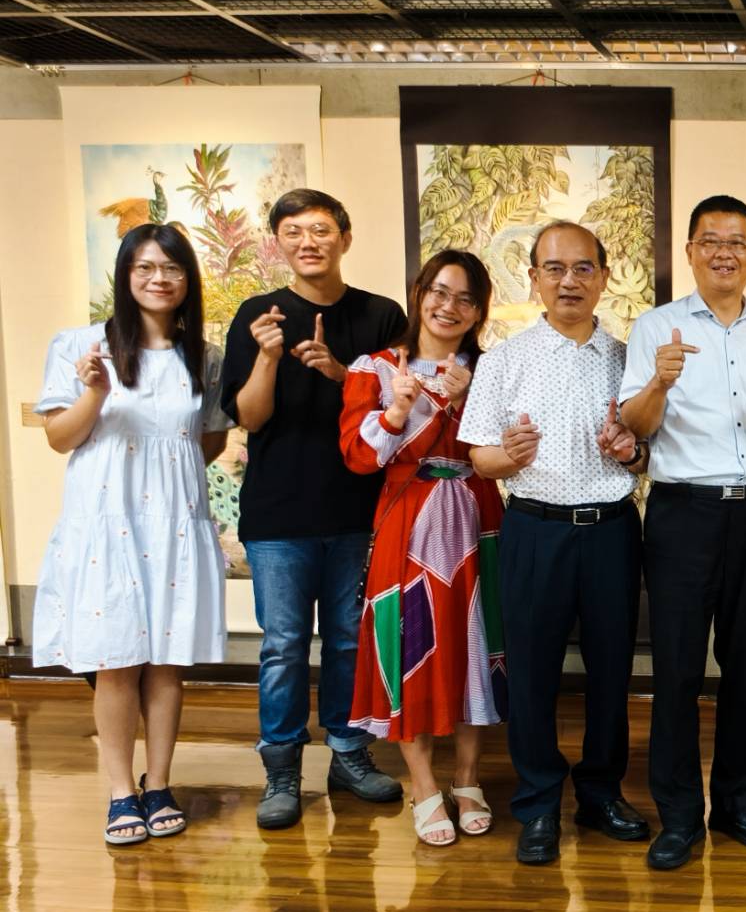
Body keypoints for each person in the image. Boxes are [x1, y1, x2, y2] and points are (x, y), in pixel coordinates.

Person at [619, 195, 746, 871]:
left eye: (737, 241)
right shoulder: (655, 327)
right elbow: (635, 426)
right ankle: (677, 816)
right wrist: (659, 383)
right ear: (691, 251)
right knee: (676, 669)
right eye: (711, 240)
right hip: (681, 513)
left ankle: (735, 803)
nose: (724, 252)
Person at [461, 221, 652, 867]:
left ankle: (600, 793)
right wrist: (507, 456)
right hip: (534, 530)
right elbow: (479, 457)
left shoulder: (628, 360)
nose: (568, 281)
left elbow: (646, 453)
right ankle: (538, 801)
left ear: (603, 276)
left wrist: (631, 451)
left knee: (611, 670)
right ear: (534, 278)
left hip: (612, 531)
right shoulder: (503, 360)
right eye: (554, 268)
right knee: (533, 673)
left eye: (582, 268)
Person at [35, 224, 232, 844]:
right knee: (115, 659)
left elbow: (207, 441)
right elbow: (60, 437)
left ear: (187, 279)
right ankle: (122, 793)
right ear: (125, 276)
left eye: (171, 268)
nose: (158, 279)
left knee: (166, 662)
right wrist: (95, 394)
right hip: (106, 522)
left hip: (173, 521)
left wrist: (165, 480)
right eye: (144, 267)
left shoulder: (204, 358)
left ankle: (160, 782)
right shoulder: (80, 344)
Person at [220, 189, 408, 829]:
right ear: (278, 242)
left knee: (352, 640)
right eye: (294, 231)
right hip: (278, 516)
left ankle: (349, 754)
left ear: (345, 238)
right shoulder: (258, 314)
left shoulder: (381, 315)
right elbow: (249, 417)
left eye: (322, 229)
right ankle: (281, 770)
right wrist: (269, 356)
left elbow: (401, 408)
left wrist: (339, 374)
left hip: (359, 510)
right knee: (283, 646)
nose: (309, 241)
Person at [339, 249, 504, 846]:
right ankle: (424, 785)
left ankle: (468, 777)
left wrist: (464, 403)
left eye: (465, 299)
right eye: (439, 292)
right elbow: (359, 458)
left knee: (476, 643)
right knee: (409, 641)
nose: (449, 306)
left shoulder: (490, 370)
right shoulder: (376, 368)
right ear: (419, 293)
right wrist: (398, 410)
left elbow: (505, 448)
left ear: (478, 312)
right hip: (406, 522)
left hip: (477, 516)